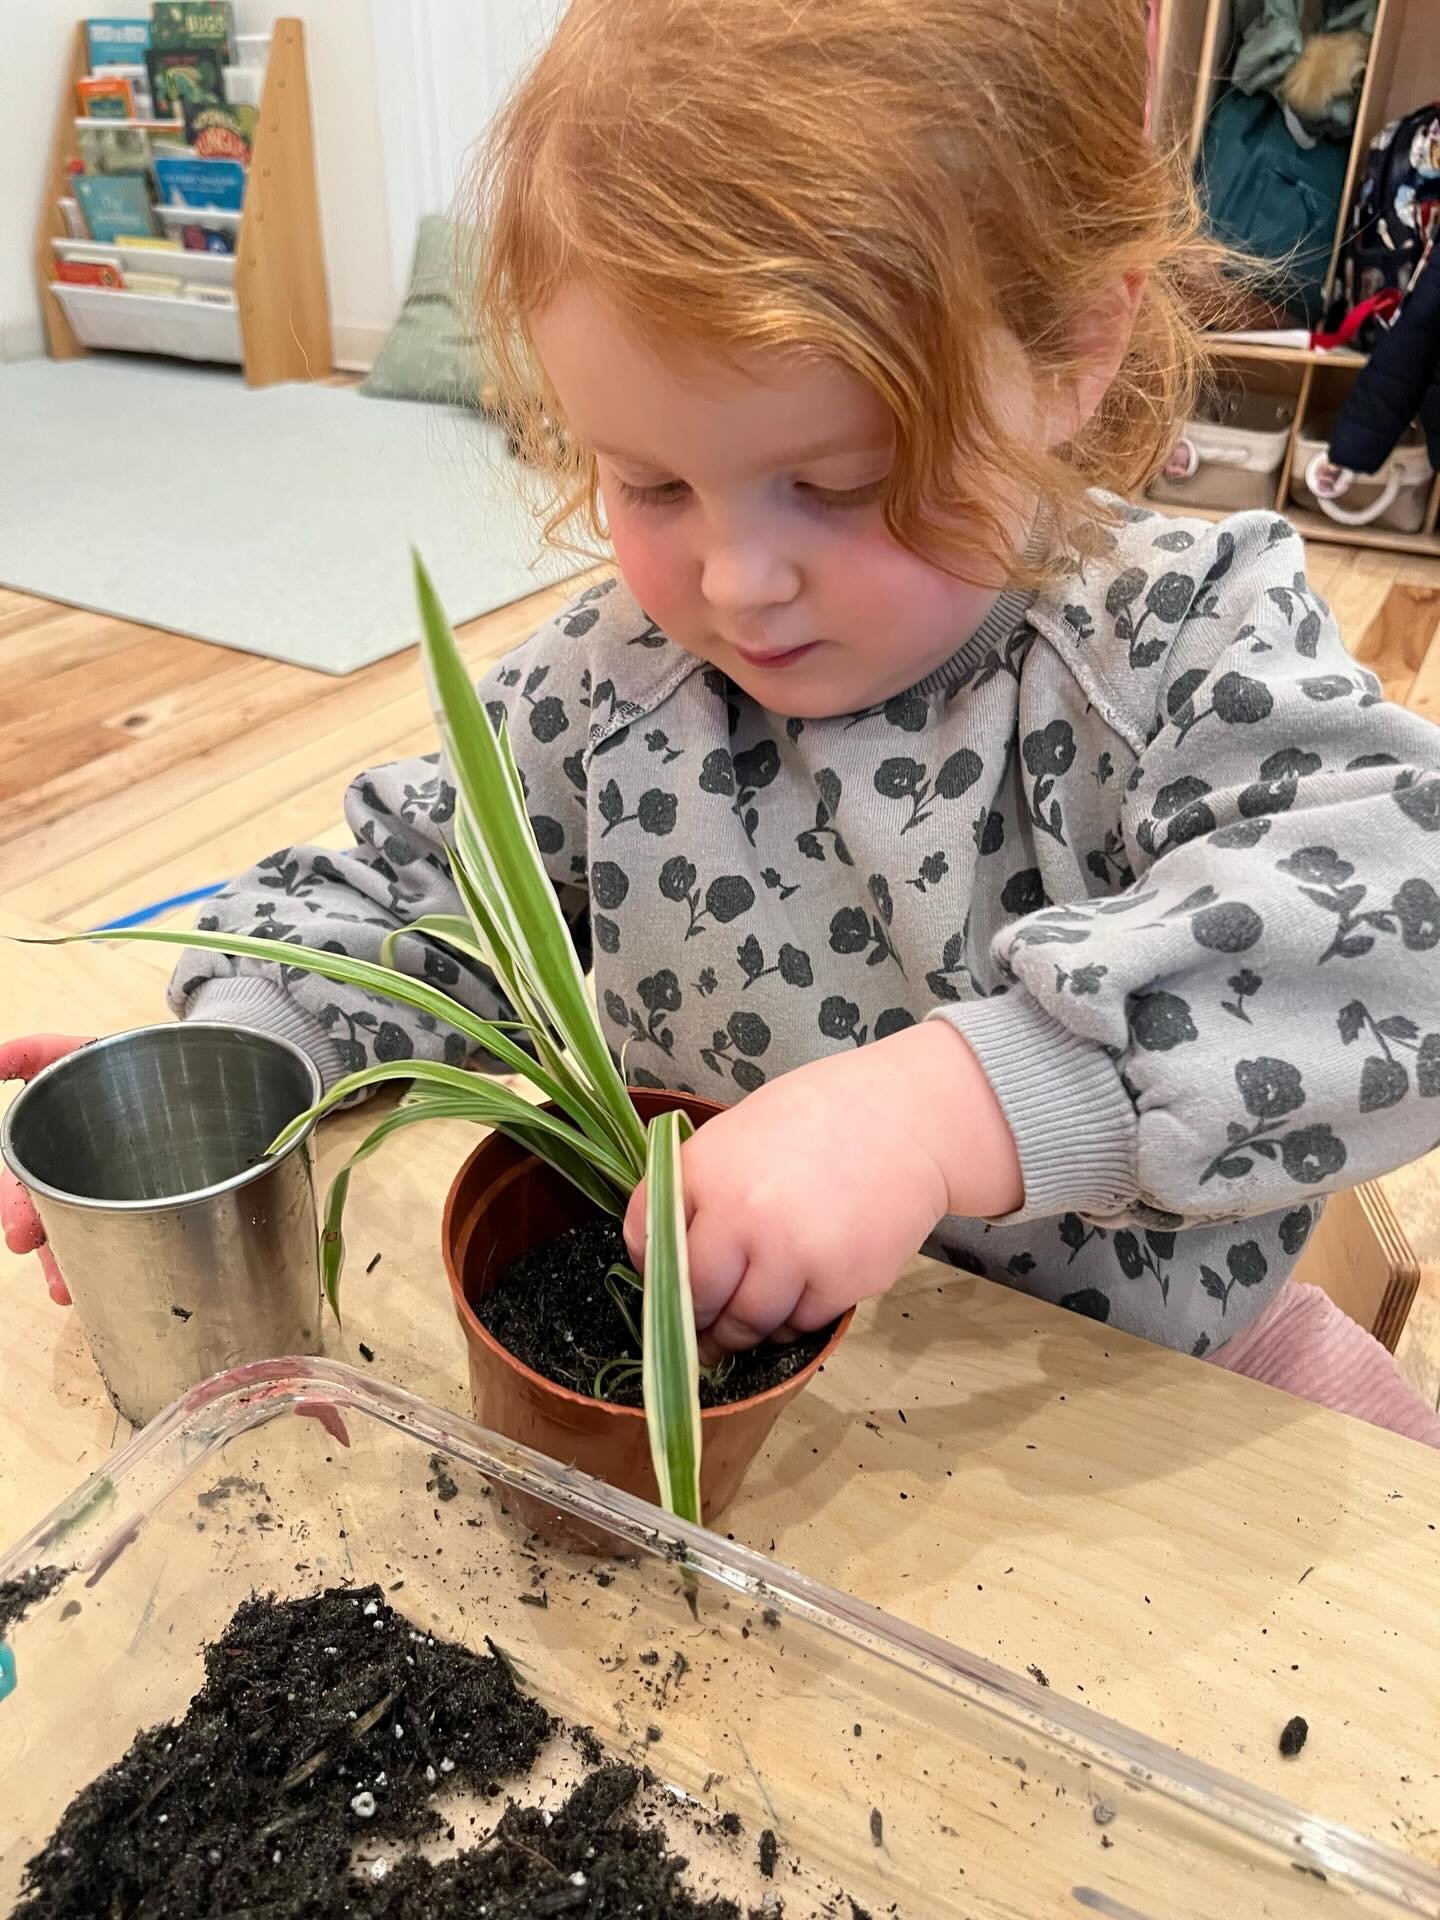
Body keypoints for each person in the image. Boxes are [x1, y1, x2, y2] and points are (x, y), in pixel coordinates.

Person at [9, 0, 1440, 1440]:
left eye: (839, 480)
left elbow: (1406, 926)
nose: (737, 583)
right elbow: (391, 895)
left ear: (1074, 347)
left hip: (1148, 1390)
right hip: (727, 1404)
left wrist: (941, 1114)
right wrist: (238, 1066)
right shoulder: (609, 685)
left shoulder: (1174, 639)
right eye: (649, 484)